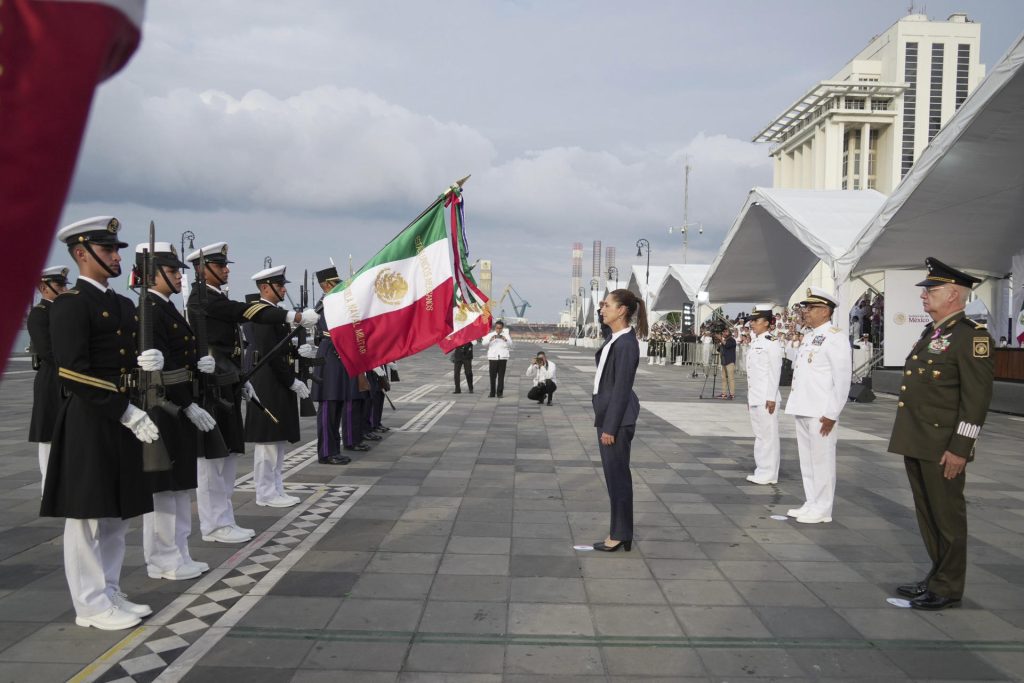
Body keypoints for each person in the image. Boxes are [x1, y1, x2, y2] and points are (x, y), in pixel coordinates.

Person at [41, 216, 160, 630]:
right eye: (107, 250)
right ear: (81, 254)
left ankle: (108, 589)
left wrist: (150, 366)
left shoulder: (125, 304)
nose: (115, 257)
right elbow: (72, 370)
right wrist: (123, 409)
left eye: (115, 250)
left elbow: (127, 359)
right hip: (92, 418)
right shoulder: (71, 305)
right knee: (87, 516)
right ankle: (89, 604)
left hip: (122, 417)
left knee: (117, 512)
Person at [186, 243, 317, 541]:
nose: (227, 269)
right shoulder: (202, 298)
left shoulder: (215, 296)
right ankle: (214, 525)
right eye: (220, 265)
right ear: (202, 269)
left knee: (228, 458)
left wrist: (239, 377)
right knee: (212, 464)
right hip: (211, 385)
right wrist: (291, 318)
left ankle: (224, 519)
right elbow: (244, 312)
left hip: (226, 380)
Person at [889, 258, 995, 611]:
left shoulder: (971, 337)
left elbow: (976, 401)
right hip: (918, 440)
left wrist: (961, 448)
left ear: (953, 295)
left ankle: (949, 586)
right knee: (928, 514)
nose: (924, 296)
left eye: (931, 290)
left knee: (947, 518)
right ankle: (936, 577)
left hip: (943, 446)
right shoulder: (933, 333)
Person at [134, 242, 218, 581]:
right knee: (164, 489)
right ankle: (162, 558)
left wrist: (202, 366)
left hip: (179, 407)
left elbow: (181, 361)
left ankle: (179, 551)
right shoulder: (149, 308)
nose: (180, 277)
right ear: (152, 276)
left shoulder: (167, 308)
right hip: (163, 409)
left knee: (180, 486)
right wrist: (188, 402)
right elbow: (162, 370)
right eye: (171, 272)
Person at [784, 287, 852, 524]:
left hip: (821, 411)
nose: (806, 312)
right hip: (804, 406)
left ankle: (823, 508)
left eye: (811, 308)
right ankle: (811, 501)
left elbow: (842, 380)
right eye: (806, 308)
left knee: (822, 461)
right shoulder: (811, 335)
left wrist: (832, 413)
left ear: (825, 311)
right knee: (808, 460)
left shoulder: (835, 337)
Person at [244, 265, 307, 508]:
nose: (283, 289)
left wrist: (301, 352)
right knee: (268, 443)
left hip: (276, 381)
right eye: (279, 286)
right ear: (265, 288)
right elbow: (271, 354)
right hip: (268, 381)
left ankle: (276, 487)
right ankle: (265, 492)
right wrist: (291, 381)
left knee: (277, 441)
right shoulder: (262, 315)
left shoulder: (274, 313)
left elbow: (282, 349)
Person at [591, 289, 648, 553]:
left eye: (607, 305)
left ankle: (620, 533)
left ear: (622, 310)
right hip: (608, 415)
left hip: (617, 420)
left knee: (618, 478)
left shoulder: (626, 344)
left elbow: (622, 387)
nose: (603, 309)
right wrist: (601, 305)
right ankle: (620, 531)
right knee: (614, 477)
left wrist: (610, 428)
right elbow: (605, 328)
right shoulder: (615, 338)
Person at [302, 266, 369, 460]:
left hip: (339, 353)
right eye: (335, 284)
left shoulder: (336, 302)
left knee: (338, 404)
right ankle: (327, 452)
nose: (339, 287)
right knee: (330, 407)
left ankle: (334, 449)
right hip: (331, 355)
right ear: (326, 286)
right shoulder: (327, 304)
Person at [27, 265, 68, 495]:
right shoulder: (40, 314)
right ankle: (48, 490)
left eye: (64, 285)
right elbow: (47, 351)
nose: (63, 289)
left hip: (64, 378)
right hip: (52, 379)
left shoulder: (62, 310)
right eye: (59, 285)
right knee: (49, 439)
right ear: (44, 287)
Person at [744, 308, 783, 485]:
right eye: (751, 320)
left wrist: (771, 397)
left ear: (767, 322)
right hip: (755, 396)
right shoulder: (755, 342)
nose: (752, 323)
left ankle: (769, 473)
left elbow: (775, 371)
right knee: (760, 435)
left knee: (768, 437)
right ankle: (762, 469)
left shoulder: (771, 342)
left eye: (756, 320)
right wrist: (750, 397)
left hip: (767, 397)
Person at [482, 320, 512, 398]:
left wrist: (505, 339)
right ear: (495, 327)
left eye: (500, 328)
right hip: (493, 358)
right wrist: (491, 339)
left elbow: (510, 344)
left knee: (501, 376)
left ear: (502, 328)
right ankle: (492, 392)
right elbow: (483, 344)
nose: (498, 329)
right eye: (497, 328)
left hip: (503, 357)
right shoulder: (490, 334)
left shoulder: (506, 335)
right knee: (492, 376)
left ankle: (499, 393)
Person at [718, 327, 737, 399]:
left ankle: (732, 394)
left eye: (725, 332)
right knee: (723, 378)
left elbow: (727, 345)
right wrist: (719, 342)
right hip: (724, 361)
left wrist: (721, 339)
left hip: (730, 361)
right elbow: (719, 349)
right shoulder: (724, 340)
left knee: (730, 378)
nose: (724, 333)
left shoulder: (732, 340)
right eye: (723, 332)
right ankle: (724, 393)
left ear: (729, 333)